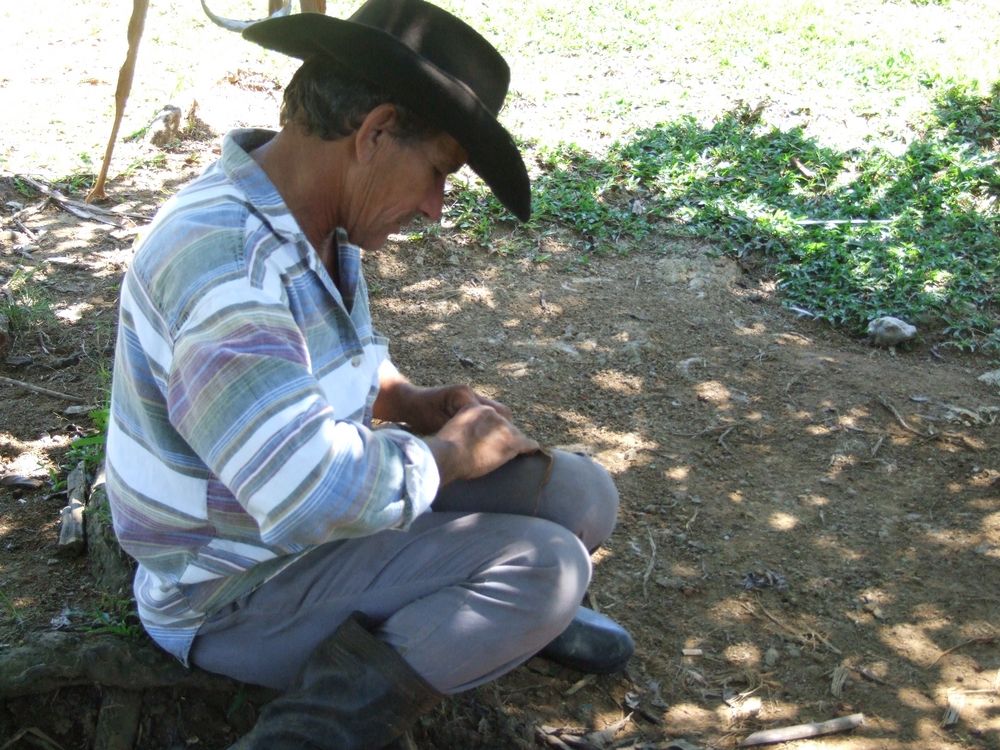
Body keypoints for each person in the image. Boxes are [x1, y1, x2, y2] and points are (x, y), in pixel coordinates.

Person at [105, 0, 633, 747]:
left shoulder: (315, 223)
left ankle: (474, 615)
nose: (436, 207)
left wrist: (409, 402)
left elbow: (333, 365)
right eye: (438, 173)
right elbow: (305, 493)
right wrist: (449, 456)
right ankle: (305, 731)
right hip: (234, 587)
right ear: (376, 131)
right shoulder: (223, 263)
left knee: (581, 493)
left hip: (309, 535)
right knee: (545, 568)